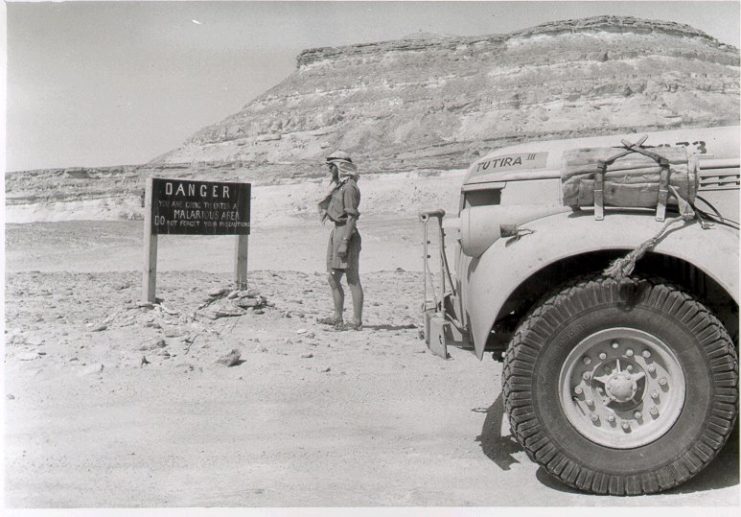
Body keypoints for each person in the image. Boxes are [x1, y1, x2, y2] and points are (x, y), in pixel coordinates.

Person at [317, 151, 364, 330]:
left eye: (331, 166)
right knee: (333, 277)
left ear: (340, 166)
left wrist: (345, 241)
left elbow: (352, 217)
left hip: (346, 233)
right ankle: (337, 316)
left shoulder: (350, 187)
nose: (329, 169)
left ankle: (356, 321)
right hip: (337, 232)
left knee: (352, 279)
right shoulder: (339, 186)